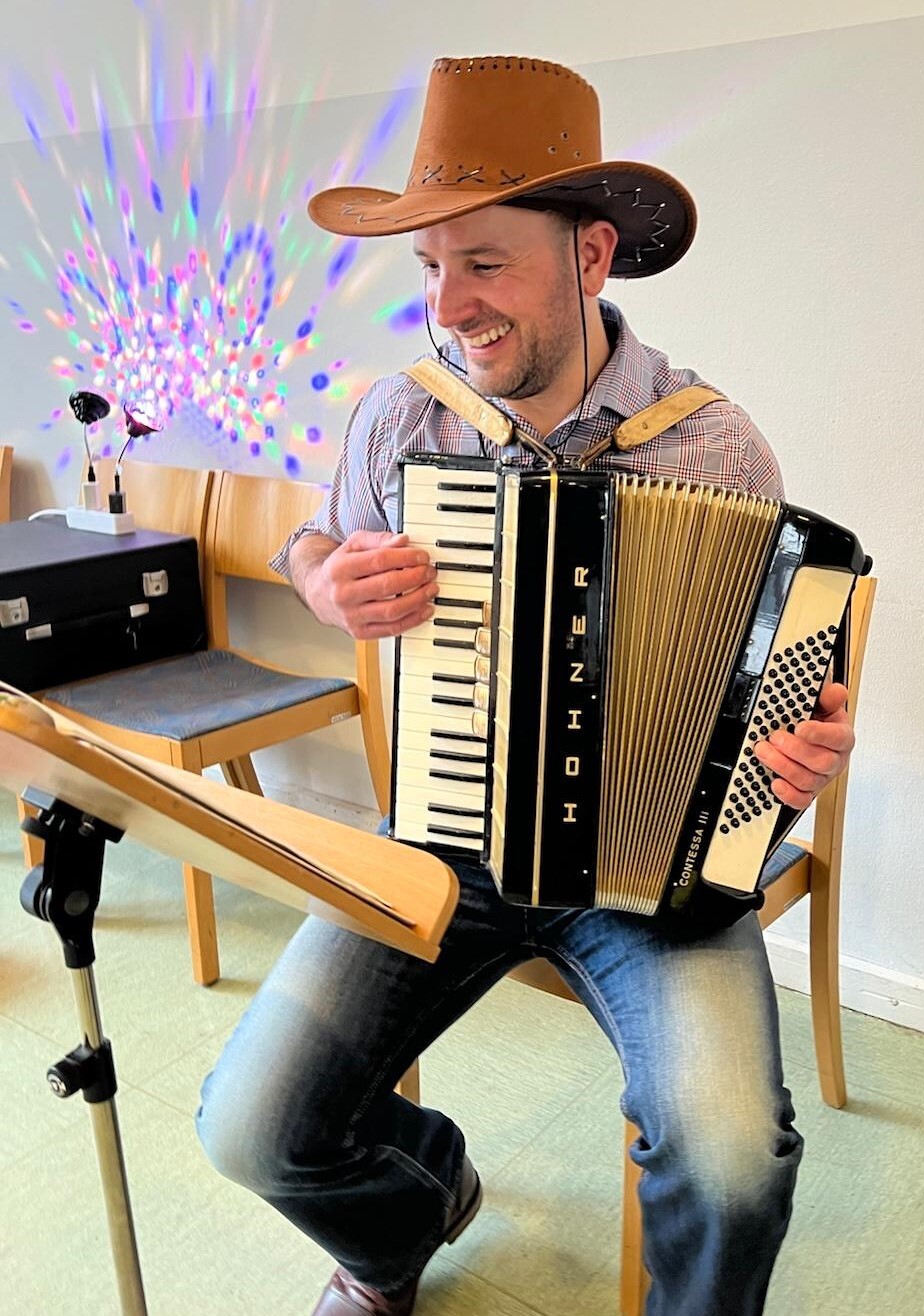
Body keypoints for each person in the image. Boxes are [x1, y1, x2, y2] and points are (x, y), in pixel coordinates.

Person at [196, 55, 857, 1316]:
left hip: (657, 871)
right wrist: (327, 579)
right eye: (430, 266)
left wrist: (799, 751)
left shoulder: (715, 446)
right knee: (251, 1125)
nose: (449, 307)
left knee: (734, 1167)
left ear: (590, 257)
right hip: (447, 840)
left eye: (485, 264)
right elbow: (315, 540)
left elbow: (777, 695)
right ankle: (409, 1215)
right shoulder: (403, 418)